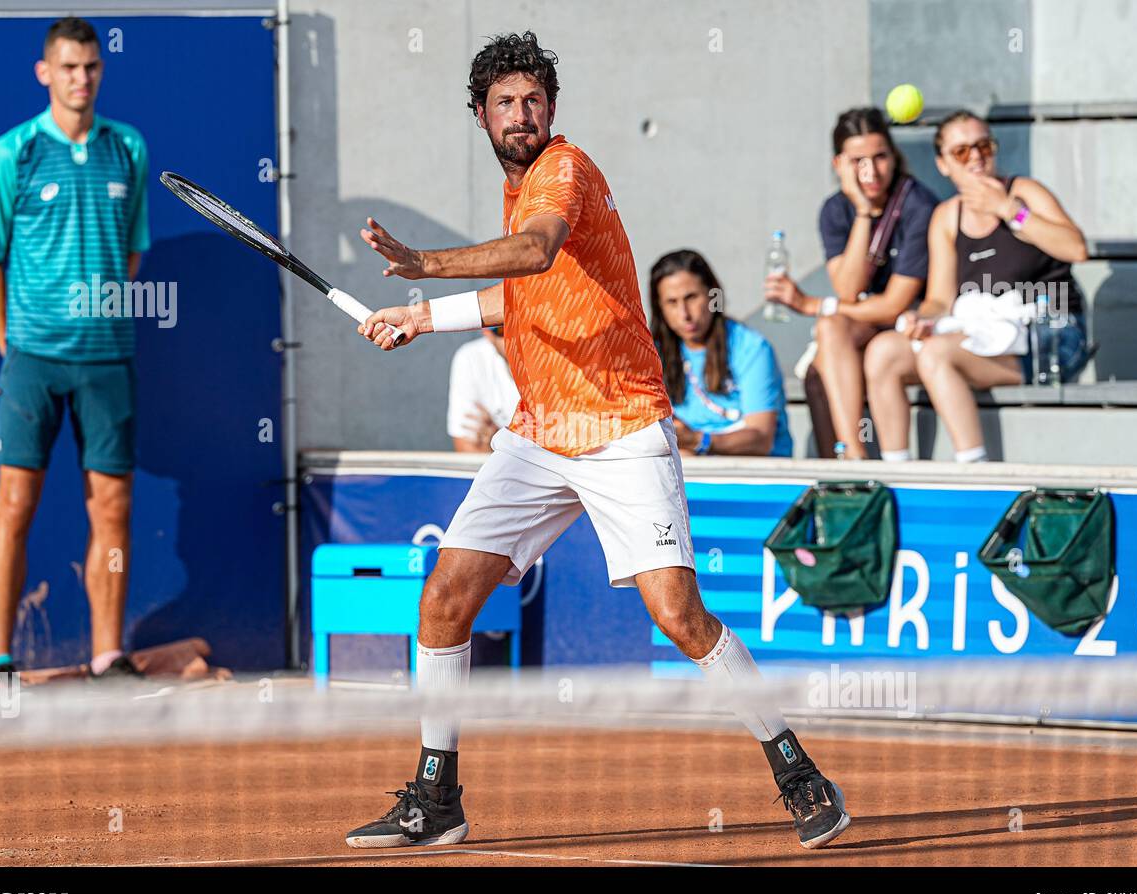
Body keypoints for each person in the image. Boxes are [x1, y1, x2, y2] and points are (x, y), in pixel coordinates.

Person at [348, 32, 848, 850]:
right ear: (479, 114)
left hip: (621, 424)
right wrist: (422, 319)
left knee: (679, 615)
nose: (521, 114)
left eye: (534, 100)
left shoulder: (563, 173)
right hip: (542, 431)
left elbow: (536, 251)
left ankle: (797, 772)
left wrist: (423, 268)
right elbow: (528, 297)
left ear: (552, 108)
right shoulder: (518, 194)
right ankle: (437, 799)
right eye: (505, 102)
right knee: (444, 599)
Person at [0, 17, 149, 677]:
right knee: (14, 503)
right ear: (45, 73)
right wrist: (12, 347)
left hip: (108, 360)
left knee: (114, 507)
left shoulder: (128, 148)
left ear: (101, 70)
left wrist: (98, 316)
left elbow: (130, 251)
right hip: (33, 362)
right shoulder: (10, 153)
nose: (81, 79)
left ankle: (108, 654)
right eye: (68, 68)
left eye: (91, 67)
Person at [863, 110, 1089, 462]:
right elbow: (939, 300)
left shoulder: (1024, 193)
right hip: (983, 332)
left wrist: (1009, 210)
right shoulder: (947, 216)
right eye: (961, 151)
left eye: (984, 145)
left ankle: (974, 470)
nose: (976, 157)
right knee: (883, 352)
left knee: (938, 354)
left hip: (1051, 335)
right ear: (942, 164)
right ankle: (897, 473)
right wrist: (921, 319)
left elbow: (1076, 248)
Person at [764, 108, 937, 458]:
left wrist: (813, 305)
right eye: (858, 161)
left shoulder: (918, 204)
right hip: (864, 323)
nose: (871, 171)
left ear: (894, 156)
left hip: (912, 322)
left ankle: (853, 466)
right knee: (820, 362)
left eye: (880, 157)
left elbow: (894, 305)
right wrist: (861, 210)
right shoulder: (836, 210)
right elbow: (848, 288)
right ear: (839, 164)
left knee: (829, 326)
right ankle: (852, 460)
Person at [649, 249, 792, 457]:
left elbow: (761, 439)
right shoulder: (653, 354)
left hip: (755, 475)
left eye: (691, 297)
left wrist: (697, 440)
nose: (684, 314)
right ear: (659, 308)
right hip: (691, 470)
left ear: (713, 295)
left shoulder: (751, 347)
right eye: (672, 302)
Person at [446, 326, 520, 452]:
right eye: (504, 330)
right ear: (488, 333)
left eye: (522, 326)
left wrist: (500, 442)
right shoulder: (471, 359)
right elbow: (467, 448)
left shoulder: (560, 358)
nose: (514, 338)